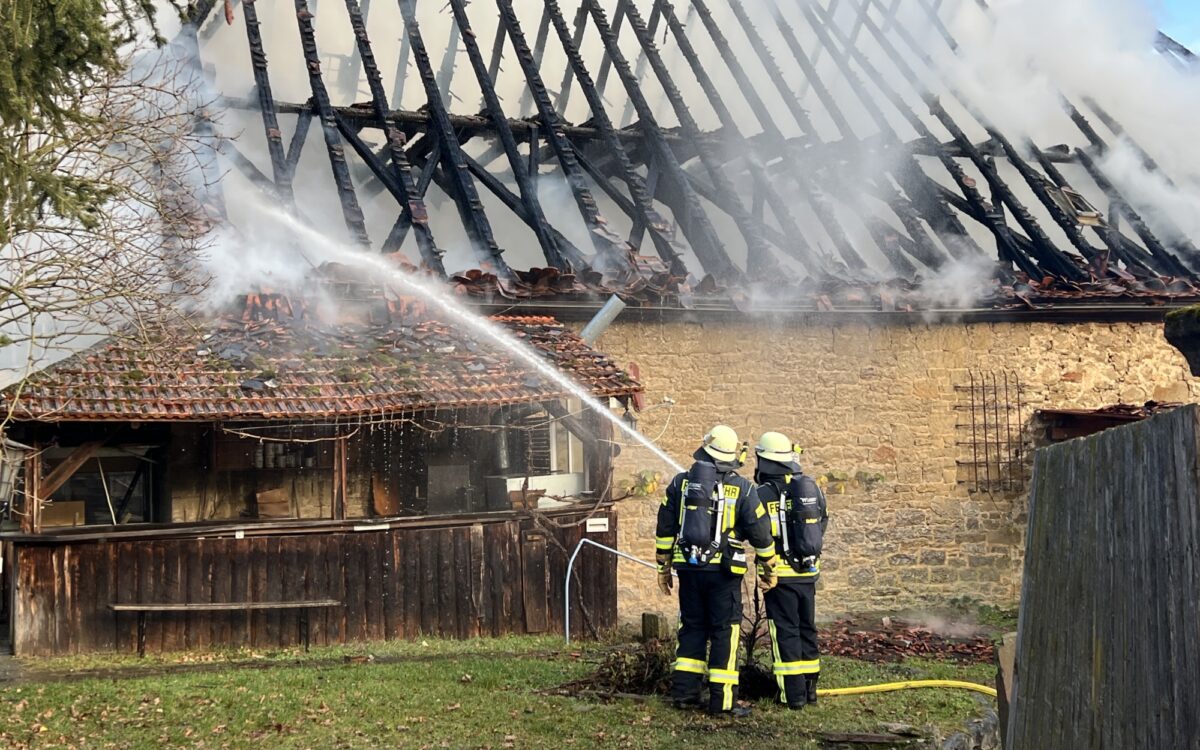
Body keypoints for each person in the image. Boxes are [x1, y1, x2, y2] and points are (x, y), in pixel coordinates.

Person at [655, 425, 778, 716]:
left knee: (692, 627)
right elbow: (761, 533)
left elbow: (664, 527)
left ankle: (685, 694)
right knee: (725, 632)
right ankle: (722, 702)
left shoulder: (680, 484)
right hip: (724, 573)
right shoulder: (744, 489)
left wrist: (663, 566)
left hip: (688, 569)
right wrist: (768, 568)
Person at [754, 431, 829, 710]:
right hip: (808, 573)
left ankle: (792, 695)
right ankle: (810, 690)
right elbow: (822, 521)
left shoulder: (761, 494)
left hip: (779, 577)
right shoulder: (811, 489)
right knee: (807, 628)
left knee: (784, 631)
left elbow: (754, 532)